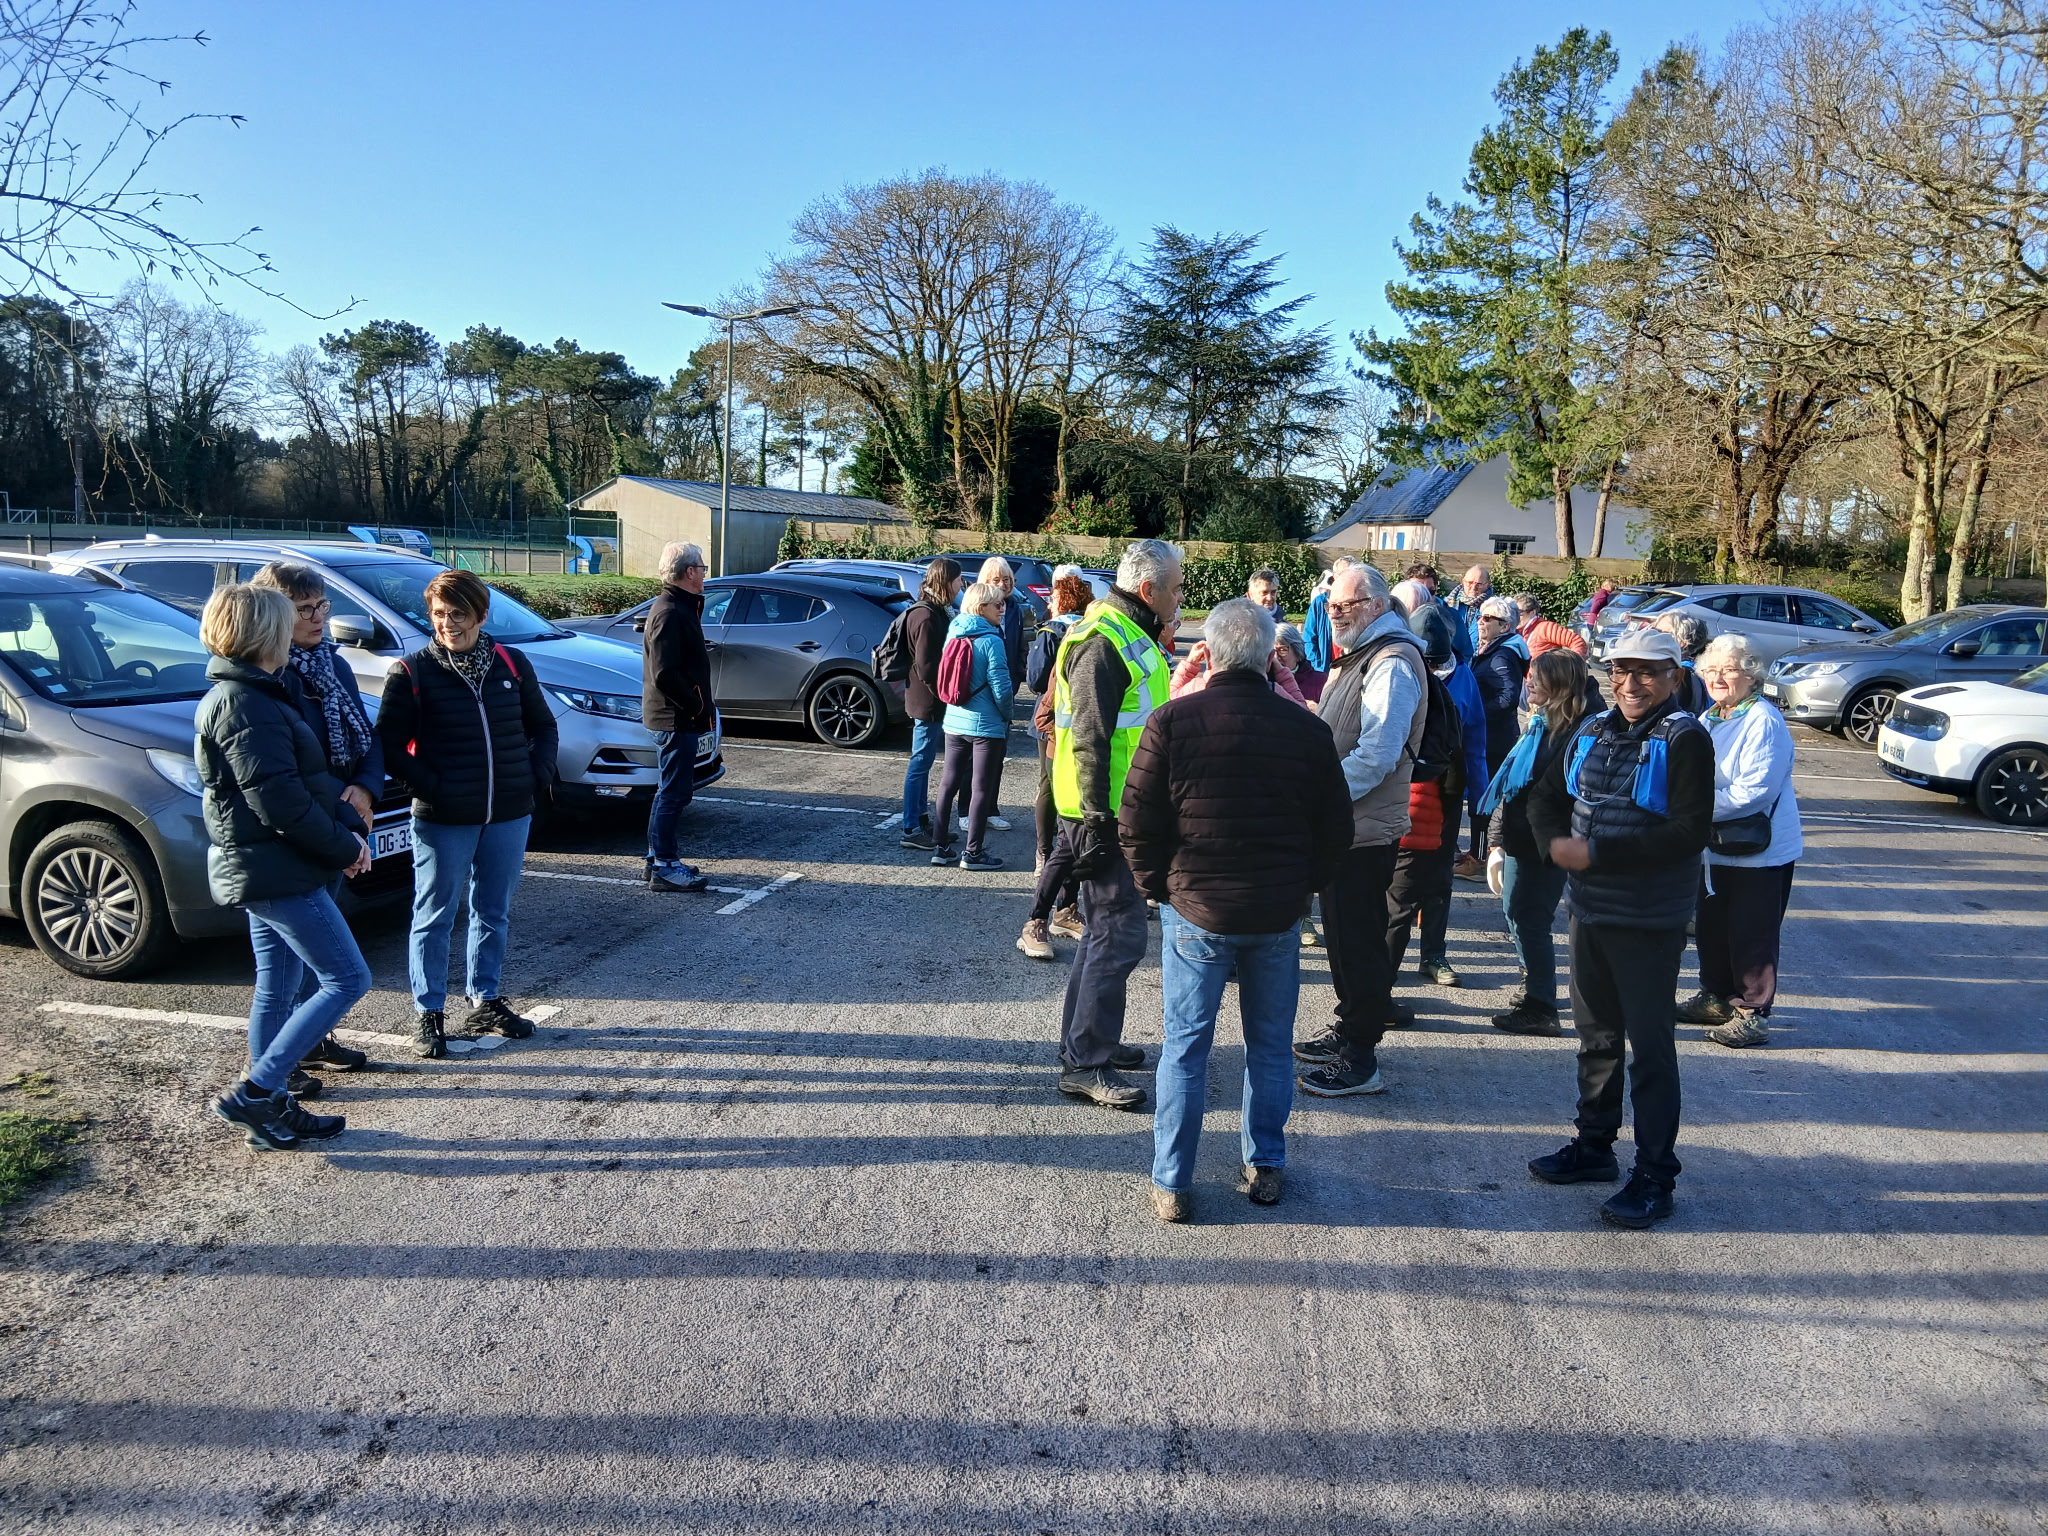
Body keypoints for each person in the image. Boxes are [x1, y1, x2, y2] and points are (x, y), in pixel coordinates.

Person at [1119, 599, 1352, 1222]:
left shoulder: (1172, 721)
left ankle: (1172, 1181)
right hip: (1275, 911)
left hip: (1196, 906)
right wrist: (1303, 887)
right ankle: (1265, 1162)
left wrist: (1158, 887)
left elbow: (1136, 820)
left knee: (1185, 1049)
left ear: (1211, 654)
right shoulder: (1306, 730)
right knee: (1270, 1047)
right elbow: (1336, 828)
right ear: (1270, 657)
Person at [1526, 626, 1713, 1229]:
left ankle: (1655, 1177)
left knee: (1650, 1051)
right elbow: (1544, 797)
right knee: (1597, 1038)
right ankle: (1594, 1147)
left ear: (1674, 678)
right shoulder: (1592, 730)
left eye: (1647, 672)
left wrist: (1595, 854)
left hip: (1648, 919)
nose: (1631, 684)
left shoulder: (1686, 738)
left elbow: (1689, 832)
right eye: (1622, 671)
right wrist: (1553, 845)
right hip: (1589, 910)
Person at [195, 584, 370, 1151]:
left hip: (271, 865)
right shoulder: (244, 703)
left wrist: (348, 827)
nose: (296, 631)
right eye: (284, 621)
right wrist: (345, 847)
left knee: (279, 985)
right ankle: (257, 1091)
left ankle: (270, 1105)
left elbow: (301, 785)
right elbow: (280, 803)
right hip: (273, 869)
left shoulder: (257, 694)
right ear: (263, 633)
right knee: (348, 979)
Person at [378, 568, 558, 1060]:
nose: (447, 624)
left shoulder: (512, 664)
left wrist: (533, 777)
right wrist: (435, 789)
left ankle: (485, 1000)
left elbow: (544, 727)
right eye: (439, 614)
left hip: (509, 812)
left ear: (480, 614)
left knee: (493, 910)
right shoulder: (412, 672)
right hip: (442, 818)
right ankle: (428, 1012)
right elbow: (389, 747)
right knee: (434, 915)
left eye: (458, 614)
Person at [1051, 538, 1181, 1109]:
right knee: (1118, 935)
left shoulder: (1124, 631)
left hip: (1112, 808)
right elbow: (1090, 738)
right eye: (1176, 588)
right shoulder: (1105, 641)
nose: (1181, 597)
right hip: (1104, 812)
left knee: (1104, 932)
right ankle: (1086, 1059)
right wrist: (1100, 822)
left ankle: (1085, 1043)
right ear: (1149, 590)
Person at [1292, 563, 1429, 1098]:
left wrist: (1322, 799)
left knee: (1360, 943)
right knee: (1344, 939)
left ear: (1376, 605)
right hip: (1348, 824)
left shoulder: (1391, 661)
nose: (1335, 614)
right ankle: (1349, 1028)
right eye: (1331, 605)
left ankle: (1360, 1057)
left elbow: (1378, 753)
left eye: (1345, 605)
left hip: (1364, 827)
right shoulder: (1363, 655)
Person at [250, 560, 384, 1087]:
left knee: (303, 962)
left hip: (336, 821)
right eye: (303, 609)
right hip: (302, 831)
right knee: (285, 971)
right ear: (272, 614)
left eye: (321, 605)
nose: (317, 618)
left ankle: (307, 1046)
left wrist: (366, 788)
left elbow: (367, 737)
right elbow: (294, 773)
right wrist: (347, 810)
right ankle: (269, 1079)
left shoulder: (333, 664)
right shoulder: (269, 679)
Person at [1678, 633, 1803, 1049]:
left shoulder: (1763, 720)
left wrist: (1692, 808)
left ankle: (1753, 1013)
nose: (1718, 678)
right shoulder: (1709, 717)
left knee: (1752, 933)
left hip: (1759, 851)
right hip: (1716, 845)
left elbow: (1755, 791)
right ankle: (1716, 996)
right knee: (1713, 927)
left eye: (1729, 670)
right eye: (1711, 670)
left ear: (1750, 675)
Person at [1481, 647, 1594, 1036]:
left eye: (1538, 677)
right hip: (1520, 840)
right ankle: (1534, 986)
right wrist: (1497, 841)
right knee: (1516, 913)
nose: (1528, 682)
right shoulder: (1538, 724)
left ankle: (1541, 1006)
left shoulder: (1577, 734)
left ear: (1559, 685)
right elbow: (1510, 790)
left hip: (1545, 846)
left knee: (1531, 920)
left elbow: (1562, 797)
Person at [1385, 601, 1487, 989]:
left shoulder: (1464, 678)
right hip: (1402, 792)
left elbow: (1475, 741)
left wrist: (1481, 798)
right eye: (1427, 662)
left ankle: (1433, 954)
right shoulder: (1396, 673)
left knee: (1440, 879)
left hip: (1446, 794)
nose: (1432, 669)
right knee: (1397, 883)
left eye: (1438, 662)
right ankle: (1381, 967)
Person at [1018, 570, 1091, 959]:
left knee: (1076, 848)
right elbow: (1043, 714)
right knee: (1066, 846)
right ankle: (1037, 920)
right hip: (1067, 766)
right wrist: (1067, 740)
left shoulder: (1086, 651)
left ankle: (1065, 910)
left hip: (1091, 771)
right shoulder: (1067, 653)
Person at [640, 540, 714, 893]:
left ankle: (657, 858)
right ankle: (665, 866)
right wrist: (697, 705)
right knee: (674, 793)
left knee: (669, 792)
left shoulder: (679, 606)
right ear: (689, 572)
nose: (704, 574)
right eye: (702, 568)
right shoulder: (670, 611)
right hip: (674, 719)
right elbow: (664, 674)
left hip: (677, 718)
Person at [931, 581, 1014, 871]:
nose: (1002, 609)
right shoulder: (992, 640)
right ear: (981, 608)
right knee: (980, 789)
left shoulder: (954, 632)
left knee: (948, 782)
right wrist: (1007, 715)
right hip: (985, 725)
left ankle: (940, 846)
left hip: (954, 720)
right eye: (997, 605)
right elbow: (1002, 688)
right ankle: (973, 852)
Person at [897, 558, 962, 852]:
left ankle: (922, 822)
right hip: (928, 700)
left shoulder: (935, 610)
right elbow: (926, 667)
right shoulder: (926, 616)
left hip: (928, 698)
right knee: (920, 762)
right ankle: (911, 828)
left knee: (923, 762)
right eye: (958, 580)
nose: (961, 585)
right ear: (946, 581)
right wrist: (946, 693)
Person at [1464, 594, 1529, 877]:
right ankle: (1477, 854)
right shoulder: (1495, 649)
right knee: (1482, 799)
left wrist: (1475, 712)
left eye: (1488, 618)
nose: (1481, 622)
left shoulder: (1503, 654)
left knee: (1484, 800)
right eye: (1480, 616)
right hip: (1490, 737)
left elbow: (1508, 697)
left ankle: (1479, 858)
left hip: (1493, 740)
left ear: (1505, 626)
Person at [976, 556, 1025, 831]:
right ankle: (967, 810)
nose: (1003, 584)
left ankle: (991, 809)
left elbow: (1019, 649)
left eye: (1007, 579)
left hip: (1006, 690)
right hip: (981, 695)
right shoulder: (977, 612)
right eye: (997, 579)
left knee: (998, 755)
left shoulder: (1015, 608)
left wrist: (1015, 681)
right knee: (974, 759)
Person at [1301, 556, 1357, 675]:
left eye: (1350, 575)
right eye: (1342, 574)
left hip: (1350, 670)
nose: (1346, 579)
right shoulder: (1320, 603)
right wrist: (1318, 668)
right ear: (1334, 576)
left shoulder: (1358, 604)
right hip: (1325, 670)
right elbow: (1309, 639)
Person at [1656, 612, 1713, 714]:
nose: (1653, 636)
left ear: (1682, 643)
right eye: (1654, 631)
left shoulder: (1680, 675)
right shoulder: (1698, 669)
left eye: (1661, 633)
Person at [1514, 593, 1589, 661]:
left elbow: (1577, 641)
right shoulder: (1518, 632)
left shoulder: (1545, 627)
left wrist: (1573, 665)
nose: (1515, 617)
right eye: (1513, 612)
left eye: (1519, 612)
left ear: (1533, 612)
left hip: (1549, 671)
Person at [1447, 564, 1492, 658]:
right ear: (1463, 582)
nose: (1473, 587)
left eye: (1479, 584)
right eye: (1470, 583)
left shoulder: (1494, 608)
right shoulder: (1448, 604)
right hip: (1452, 660)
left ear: (1488, 585)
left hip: (1481, 660)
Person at [1274, 622, 1322, 707]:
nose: (1276, 657)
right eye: (1271, 651)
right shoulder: (1264, 683)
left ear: (1297, 651)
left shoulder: (1320, 682)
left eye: (1282, 650)